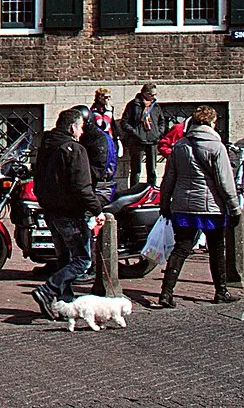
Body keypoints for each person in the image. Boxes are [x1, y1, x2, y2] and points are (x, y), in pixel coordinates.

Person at [156, 104, 243, 307]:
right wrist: (234, 206)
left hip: (183, 207)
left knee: (180, 249)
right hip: (211, 207)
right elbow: (225, 181)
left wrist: (165, 203)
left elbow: (169, 178)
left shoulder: (180, 146)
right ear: (212, 123)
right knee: (216, 249)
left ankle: (166, 293)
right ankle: (221, 291)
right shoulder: (217, 147)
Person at [30, 106, 103, 321]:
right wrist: (96, 208)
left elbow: (39, 178)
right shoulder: (74, 149)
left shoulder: (46, 146)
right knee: (82, 260)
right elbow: (82, 187)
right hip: (70, 212)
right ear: (72, 127)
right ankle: (48, 290)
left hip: (51, 210)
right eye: (80, 128)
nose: (82, 132)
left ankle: (65, 304)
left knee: (65, 258)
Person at [119, 85, 165, 189]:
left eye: (154, 94)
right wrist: (135, 133)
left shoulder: (156, 106)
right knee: (136, 169)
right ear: (144, 93)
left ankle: (151, 190)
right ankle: (134, 191)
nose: (153, 97)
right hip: (137, 141)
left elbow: (162, 121)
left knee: (152, 169)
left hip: (152, 140)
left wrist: (158, 133)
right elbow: (124, 122)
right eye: (151, 94)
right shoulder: (133, 105)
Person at [80, 93, 118, 202]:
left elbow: (104, 125)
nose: (108, 99)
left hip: (100, 186)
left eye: (109, 97)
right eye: (105, 97)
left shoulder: (98, 140)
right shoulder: (95, 110)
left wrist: (109, 112)